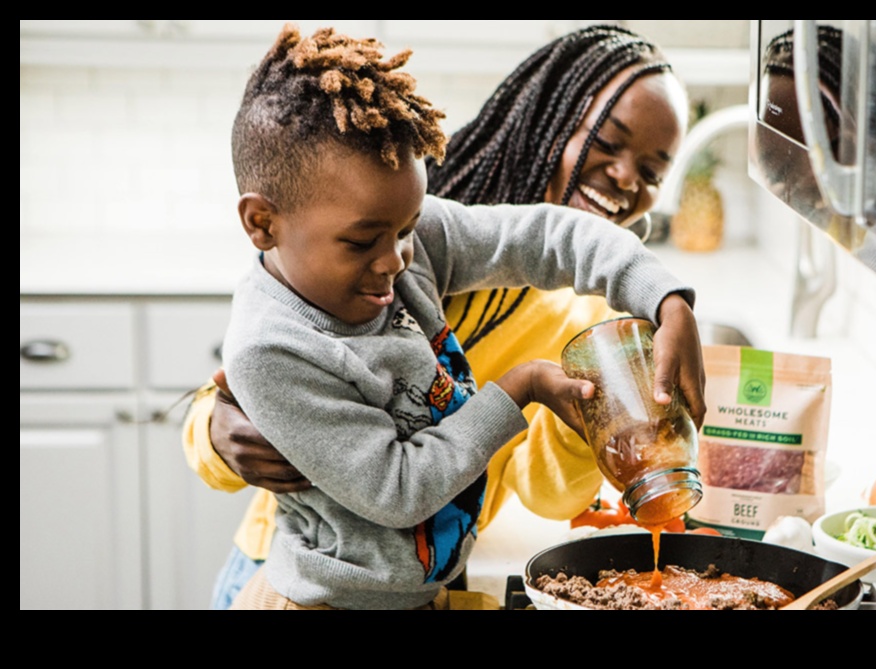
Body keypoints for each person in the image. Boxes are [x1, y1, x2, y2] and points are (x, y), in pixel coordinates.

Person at [182, 24, 692, 608]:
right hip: (314, 587)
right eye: (607, 141)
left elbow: (547, 491)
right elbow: (382, 476)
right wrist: (215, 437)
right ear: (546, 117)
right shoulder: (369, 193)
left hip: (425, 580)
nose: (627, 177)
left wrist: (662, 299)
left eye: (652, 171)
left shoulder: (405, 224)